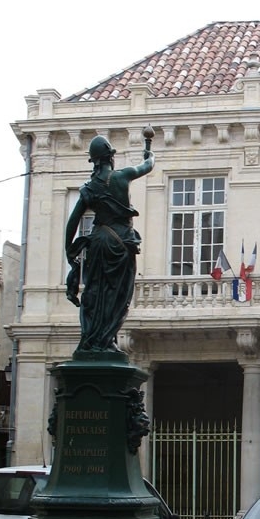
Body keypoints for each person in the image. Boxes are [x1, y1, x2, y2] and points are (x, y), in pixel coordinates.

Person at [65, 134, 154, 354]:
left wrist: (69, 249)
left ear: (94, 161)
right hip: (121, 242)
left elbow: (73, 220)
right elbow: (148, 166)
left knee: (95, 292)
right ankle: (106, 340)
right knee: (118, 294)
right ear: (111, 157)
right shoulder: (123, 176)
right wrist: (150, 154)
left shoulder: (89, 188)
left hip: (98, 240)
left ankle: (93, 339)